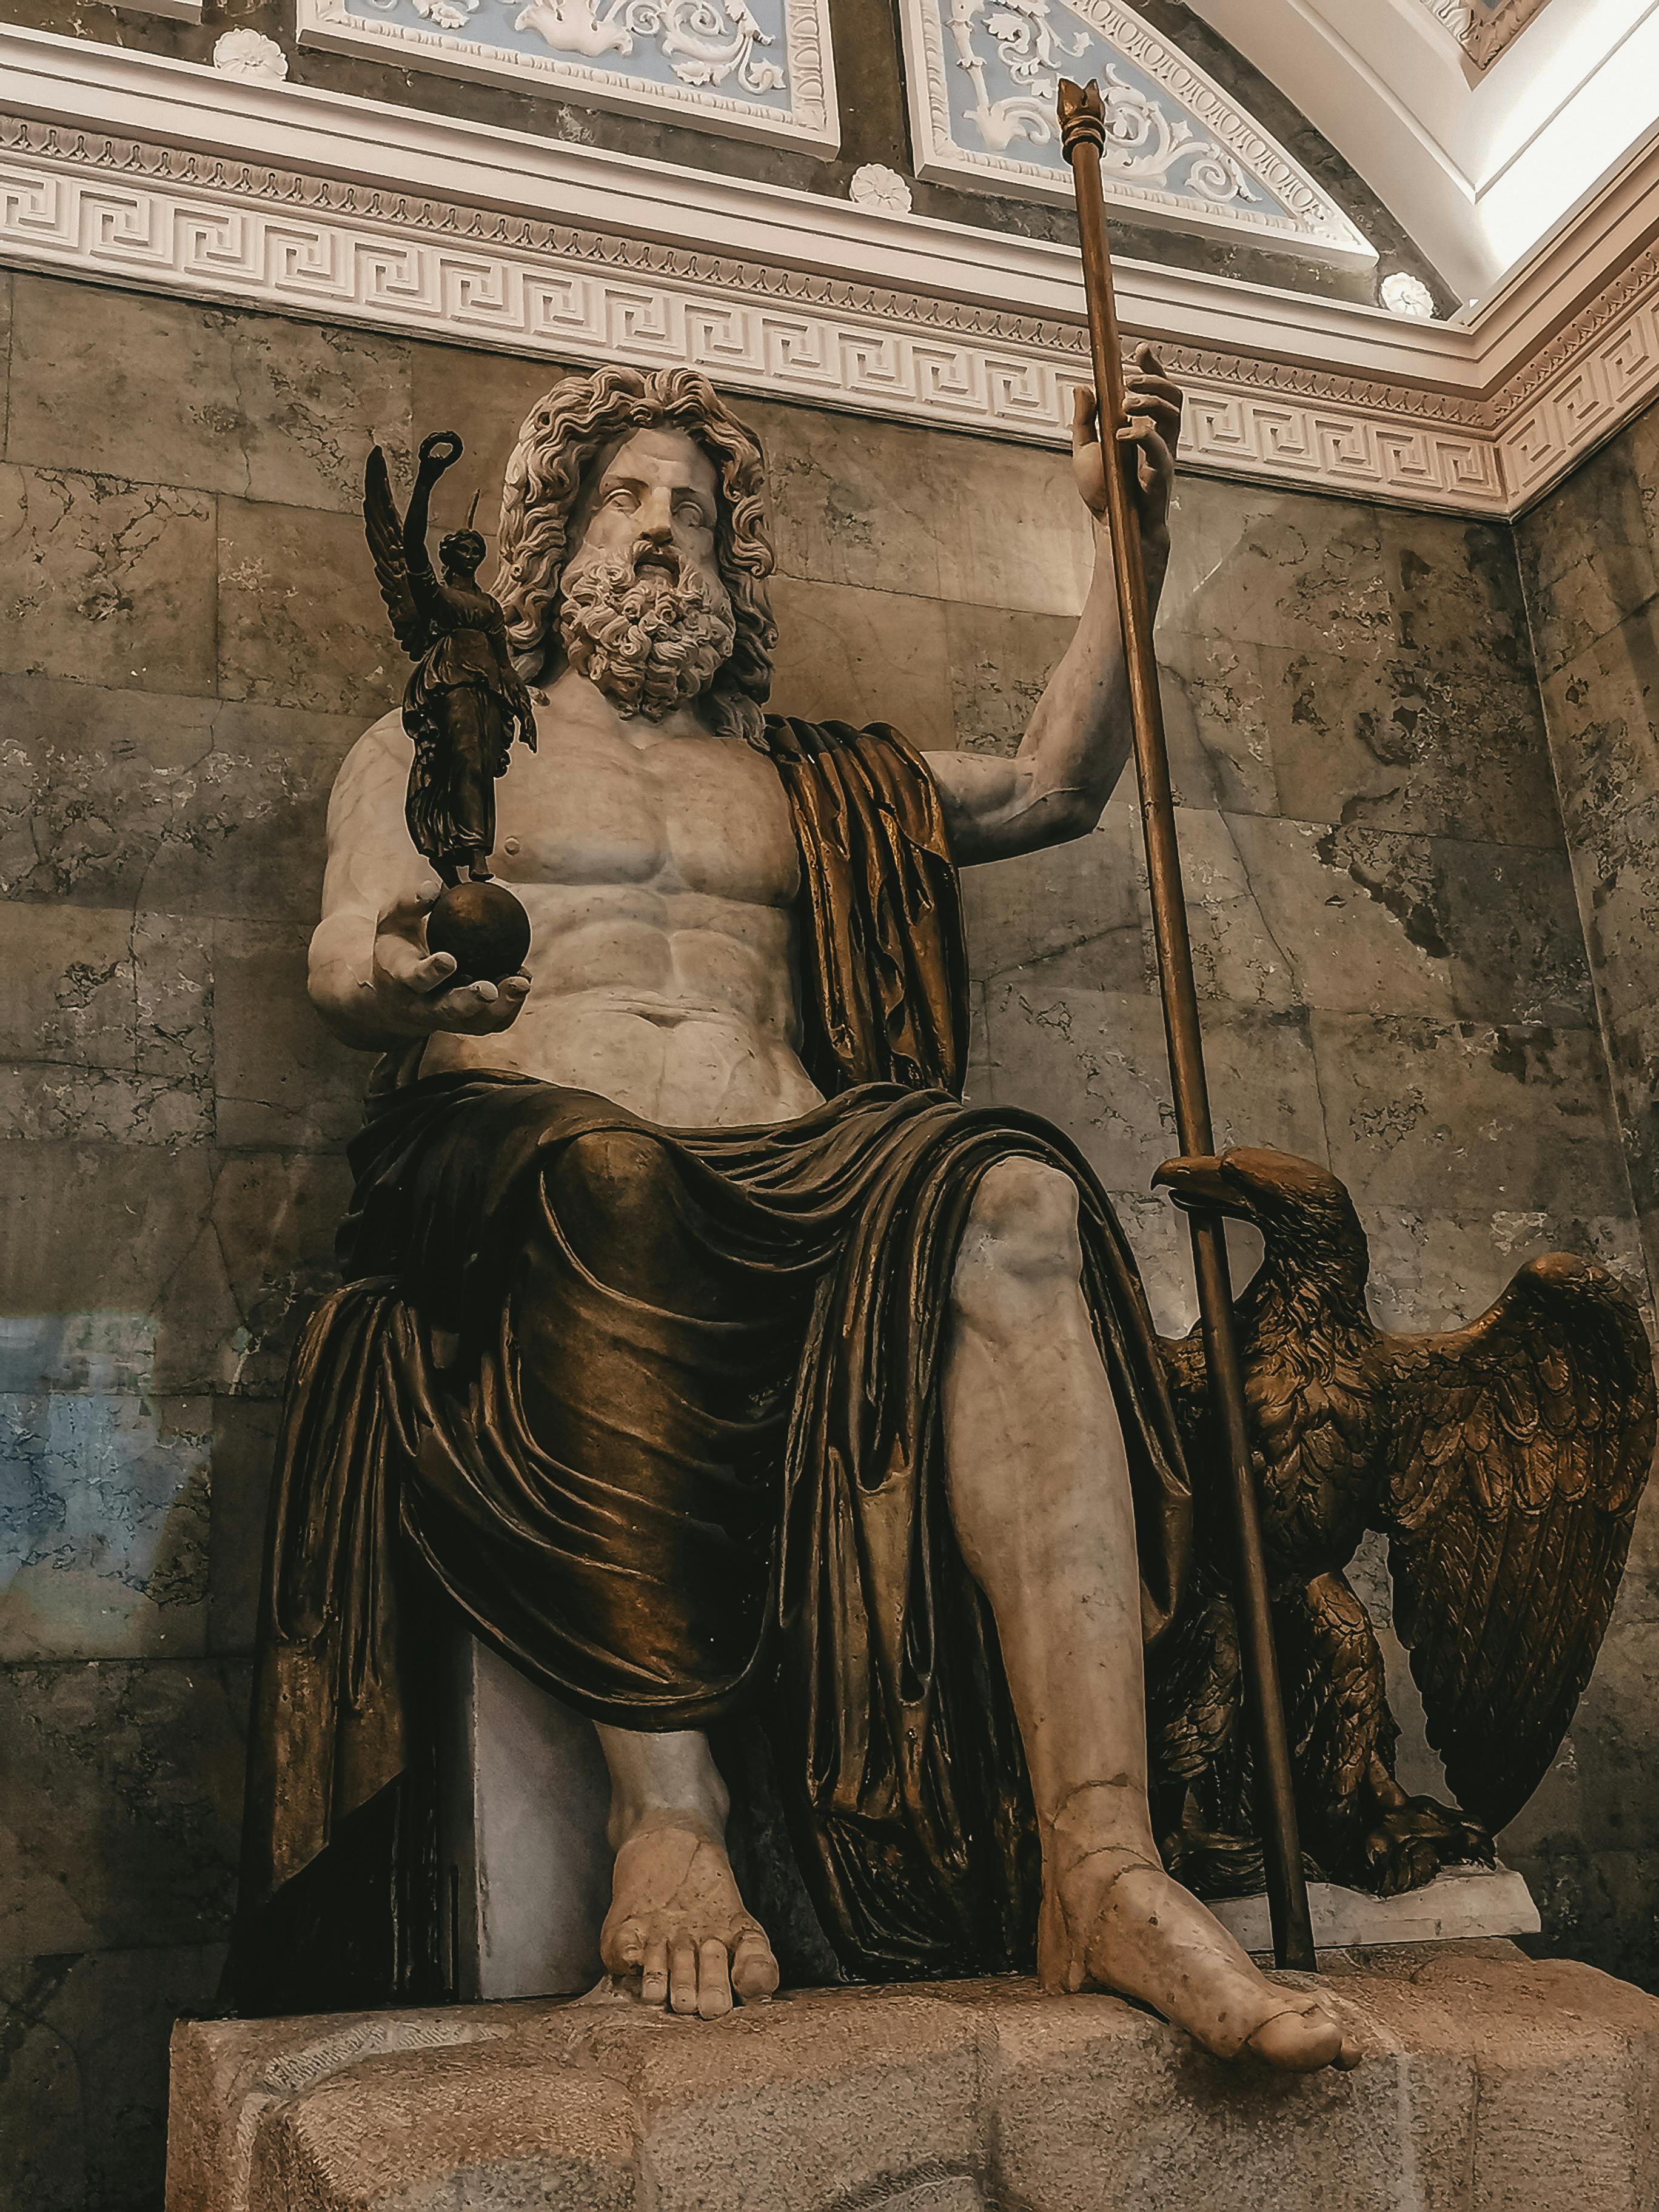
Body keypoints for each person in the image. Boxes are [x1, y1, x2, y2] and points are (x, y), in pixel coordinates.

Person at [232, 359, 1357, 2073]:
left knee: (1018, 1194)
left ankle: (1103, 1860)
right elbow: (346, 942)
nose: (662, 532)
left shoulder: (813, 781)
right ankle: (665, 1819)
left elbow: (1059, 785)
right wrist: (400, 979)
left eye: (691, 507)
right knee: (610, 1178)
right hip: (534, 1154)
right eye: (627, 499)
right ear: (555, 536)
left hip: (795, 1160)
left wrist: (1132, 539)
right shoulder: (447, 738)